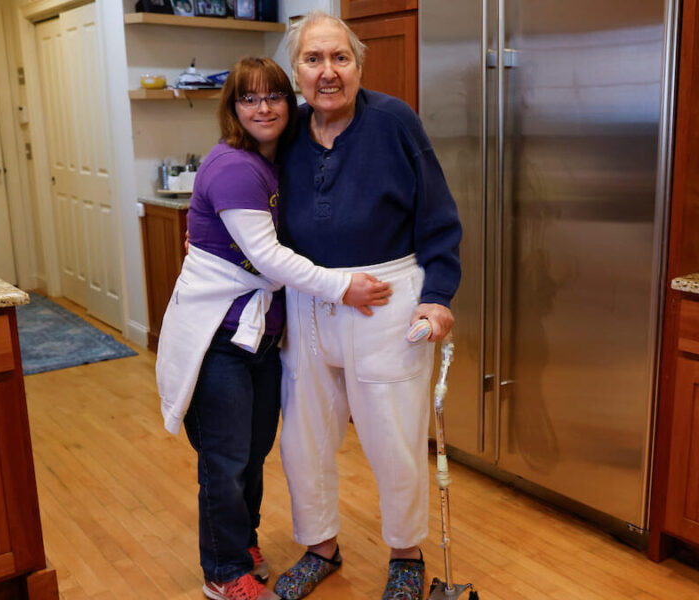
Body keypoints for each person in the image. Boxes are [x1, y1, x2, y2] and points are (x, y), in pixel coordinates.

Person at [155, 56, 391, 600]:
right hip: (221, 337)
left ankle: (242, 544)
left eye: (274, 97)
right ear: (232, 107)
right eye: (248, 98)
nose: (263, 108)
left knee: (255, 448)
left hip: (259, 335)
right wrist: (343, 287)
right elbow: (268, 259)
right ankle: (223, 571)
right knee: (226, 457)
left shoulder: (277, 160)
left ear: (291, 103)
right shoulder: (235, 167)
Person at [272, 11, 462, 600]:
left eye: (340, 58)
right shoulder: (284, 131)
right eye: (312, 59)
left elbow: (437, 214)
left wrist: (438, 296)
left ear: (358, 65)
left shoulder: (394, 122)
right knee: (303, 436)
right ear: (295, 70)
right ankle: (320, 545)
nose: (327, 72)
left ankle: (406, 554)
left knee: (393, 436)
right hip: (307, 299)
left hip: (384, 300)